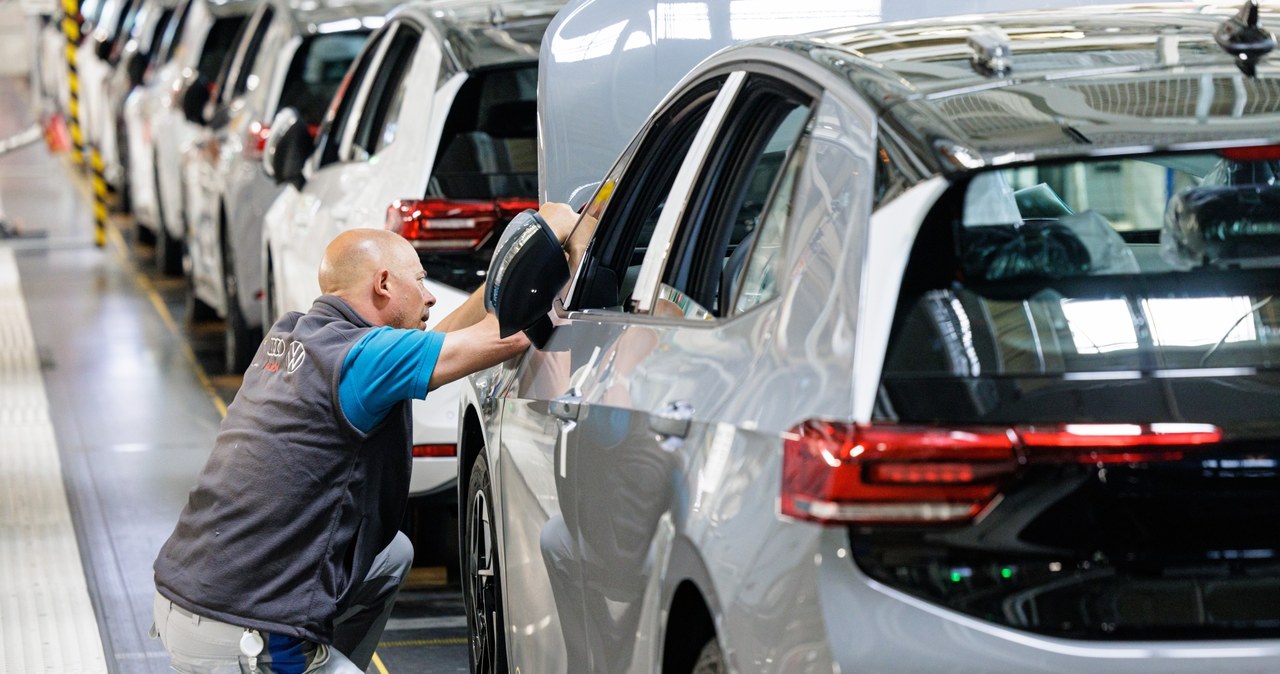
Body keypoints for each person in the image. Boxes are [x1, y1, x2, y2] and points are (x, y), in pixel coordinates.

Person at [151, 203, 577, 673]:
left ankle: (321, 655)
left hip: (190, 596)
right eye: (419, 281)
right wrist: (547, 239)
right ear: (383, 285)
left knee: (392, 554)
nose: (430, 297)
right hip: (245, 629)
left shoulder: (299, 336)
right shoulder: (361, 360)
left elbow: (450, 334)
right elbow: (506, 337)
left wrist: (496, 280)